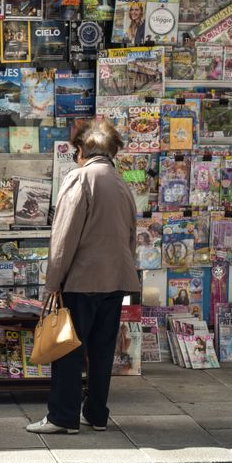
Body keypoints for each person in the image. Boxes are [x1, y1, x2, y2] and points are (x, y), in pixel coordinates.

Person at [26, 119, 140, 435]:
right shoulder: (121, 183)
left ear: (82, 151)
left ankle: (63, 417)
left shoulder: (80, 179)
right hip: (116, 281)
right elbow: (131, 236)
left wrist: (52, 283)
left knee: (68, 349)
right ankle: (96, 414)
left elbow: (64, 236)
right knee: (103, 351)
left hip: (82, 281)